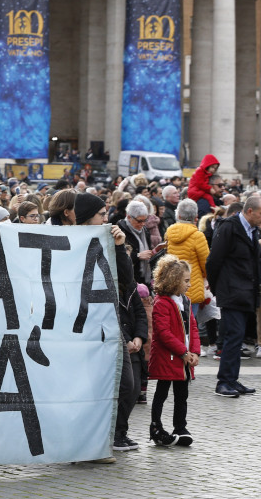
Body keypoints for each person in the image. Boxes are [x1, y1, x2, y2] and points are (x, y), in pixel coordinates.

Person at [73, 192, 142, 459]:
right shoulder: (71, 243)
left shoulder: (109, 241)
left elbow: (128, 281)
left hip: (112, 325)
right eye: (101, 215)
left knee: (126, 384)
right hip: (85, 328)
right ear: (87, 219)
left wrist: (117, 248)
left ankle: (109, 435)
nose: (107, 219)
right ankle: (91, 443)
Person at [205, 194, 261, 398]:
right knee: (233, 335)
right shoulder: (229, 227)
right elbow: (213, 260)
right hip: (231, 291)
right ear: (250, 211)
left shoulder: (253, 230)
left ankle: (232, 378)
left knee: (238, 338)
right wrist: (218, 288)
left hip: (246, 292)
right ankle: (224, 382)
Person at [148, 255, 200, 447]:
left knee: (182, 394)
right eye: (186, 281)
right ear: (174, 280)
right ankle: (156, 426)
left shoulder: (185, 301)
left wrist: (194, 351)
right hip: (168, 357)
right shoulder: (162, 303)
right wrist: (183, 352)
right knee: (161, 392)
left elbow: (193, 327)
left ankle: (180, 427)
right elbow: (163, 333)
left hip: (183, 358)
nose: (189, 284)